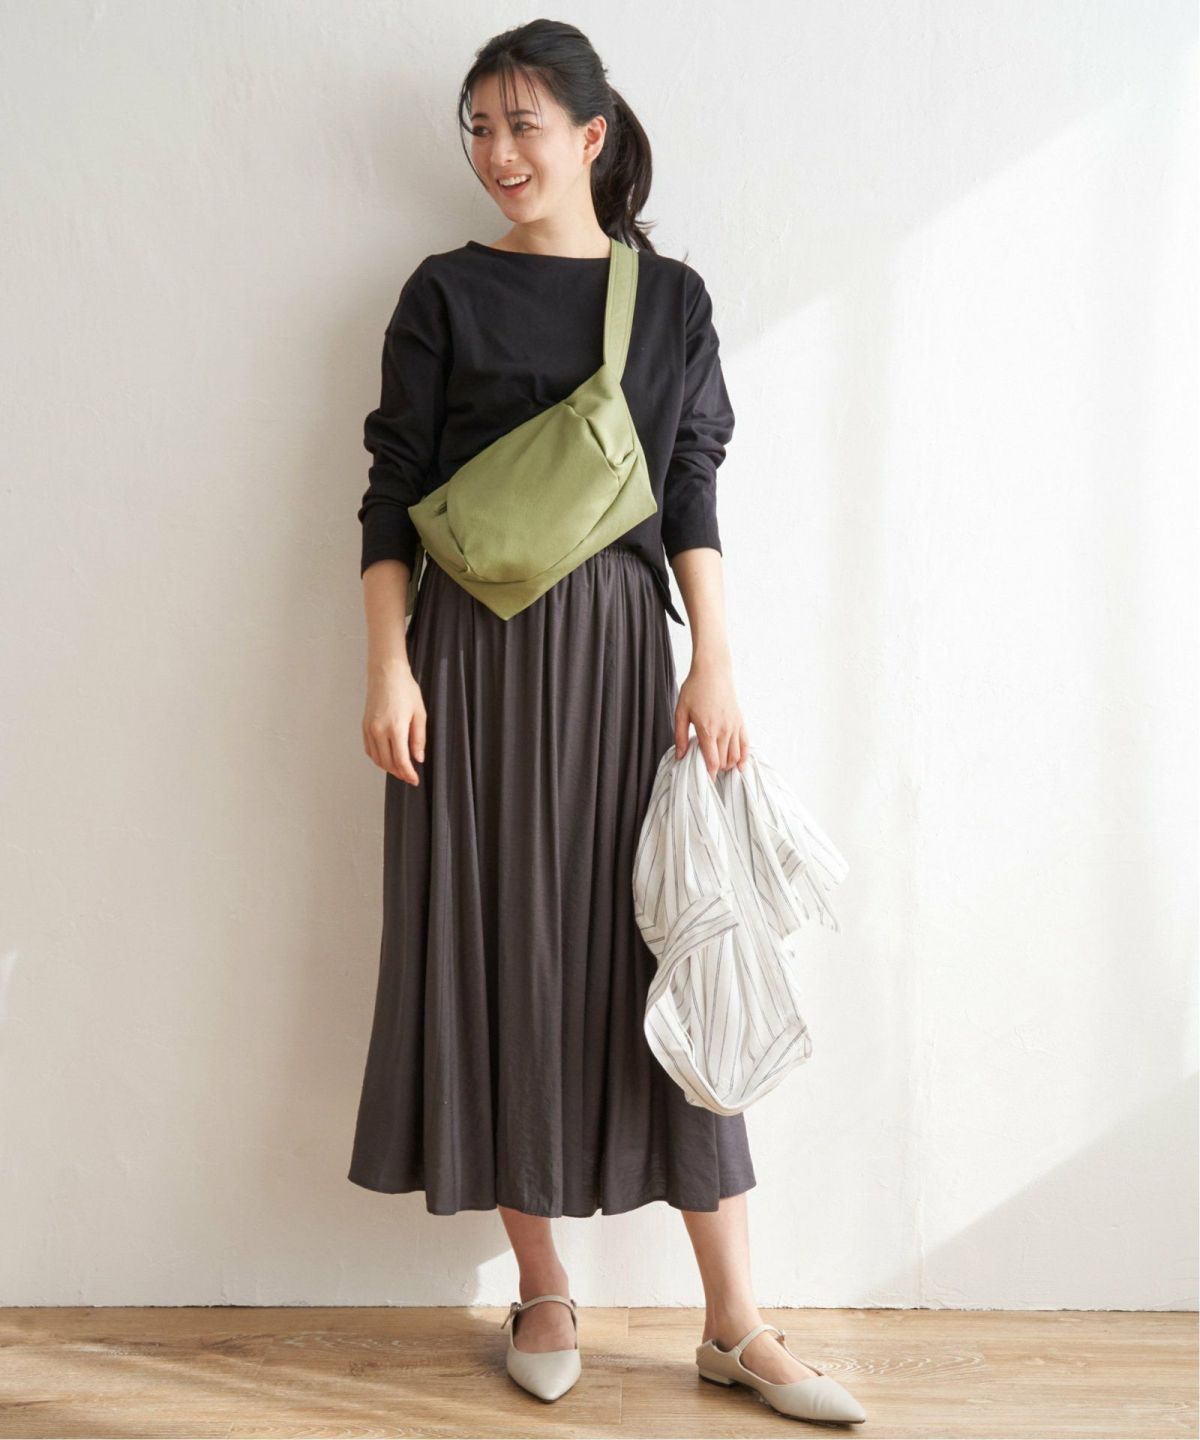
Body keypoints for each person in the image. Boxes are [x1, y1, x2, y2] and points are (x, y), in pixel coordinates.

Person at [346, 18, 854, 1414]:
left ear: (591, 134)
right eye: (479, 126)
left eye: (523, 124)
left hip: (627, 662)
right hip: (470, 665)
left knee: (674, 948)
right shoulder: (444, 292)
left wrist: (715, 662)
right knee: (505, 948)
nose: (497, 152)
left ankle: (735, 1322)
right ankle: (542, 1282)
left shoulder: (670, 300)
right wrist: (388, 667)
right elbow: (390, 492)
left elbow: (691, 487)